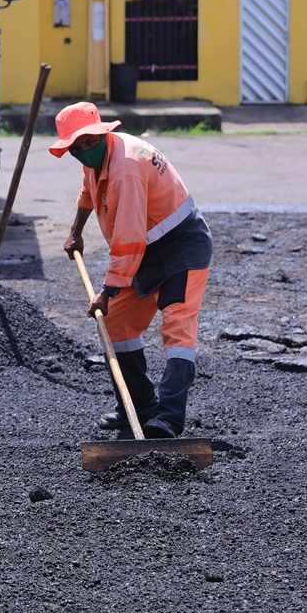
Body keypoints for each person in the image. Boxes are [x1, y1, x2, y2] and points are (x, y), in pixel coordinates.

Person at [53, 101, 213, 440]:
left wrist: (106, 291)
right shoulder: (96, 158)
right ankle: (140, 406)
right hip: (148, 248)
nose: (83, 151)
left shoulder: (126, 167)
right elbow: (88, 192)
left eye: (88, 142)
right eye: (76, 147)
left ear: (103, 134)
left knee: (177, 328)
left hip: (181, 246)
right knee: (114, 323)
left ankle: (168, 418)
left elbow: (128, 243)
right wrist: (75, 231)